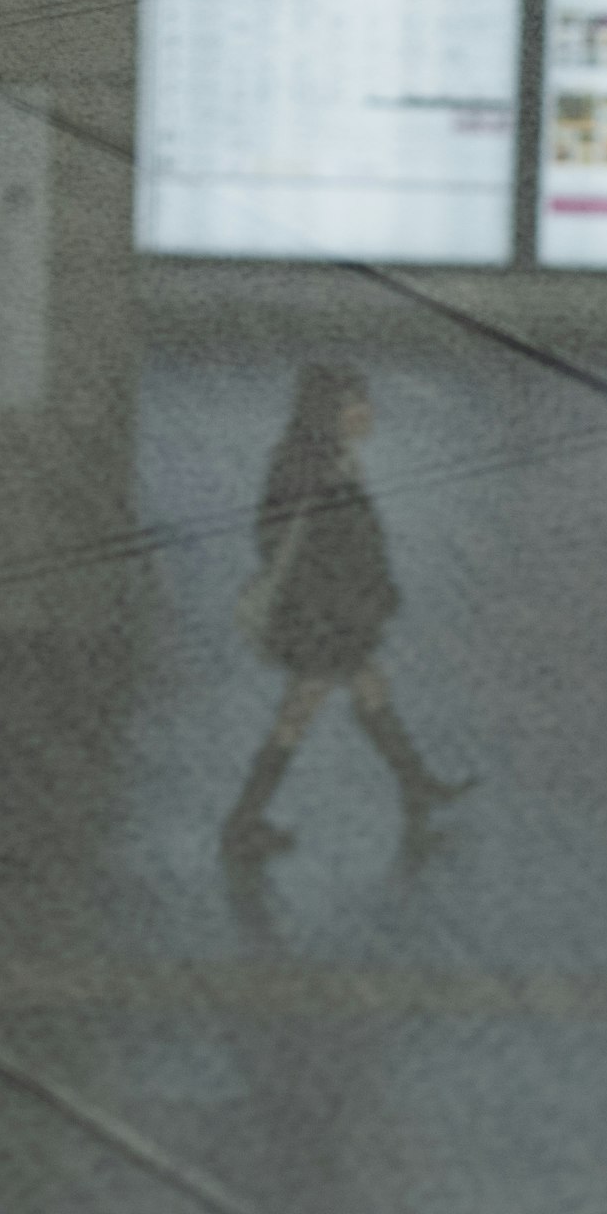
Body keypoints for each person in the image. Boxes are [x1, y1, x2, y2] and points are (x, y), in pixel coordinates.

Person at [224, 365, 472, 862]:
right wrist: (350, 597)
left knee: (367, 688)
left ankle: (416, 782)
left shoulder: (327, 458)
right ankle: (242, 824)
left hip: (333, 614)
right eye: (356, 403)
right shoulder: (311, 466)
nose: (367, 412)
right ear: (330, 411)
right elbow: (300, 543)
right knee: (298, 714)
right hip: (324, 619)